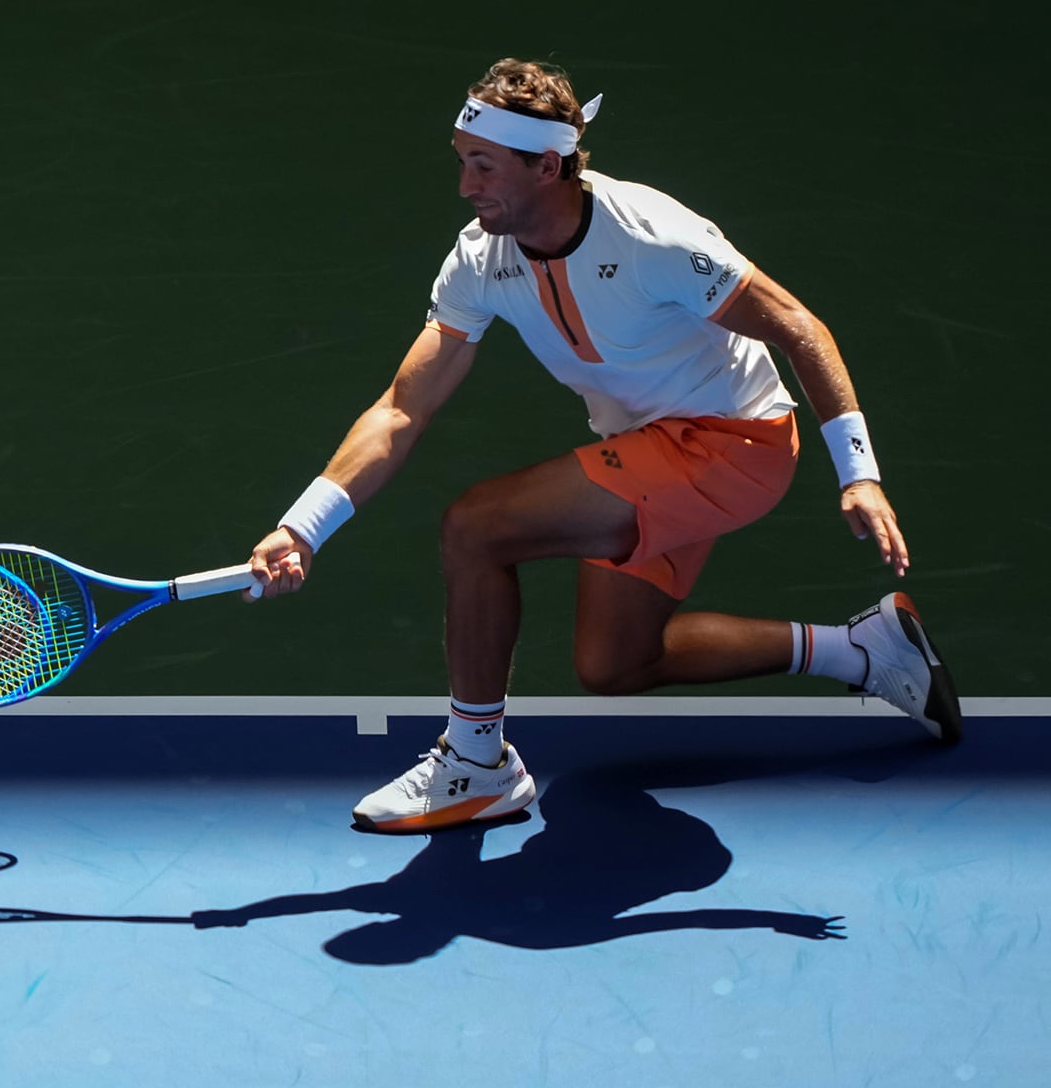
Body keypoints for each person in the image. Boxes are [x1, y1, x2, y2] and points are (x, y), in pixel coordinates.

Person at [246, 58, 962, 833]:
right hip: (646, 444)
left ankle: (476, 763)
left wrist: (860, 473)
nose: (464, 187)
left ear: (546, 165)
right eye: (462, 163)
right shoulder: (481, 260)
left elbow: (799, 326)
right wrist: (302, 526)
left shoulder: (653, 236)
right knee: (616, 662)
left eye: (483, 167)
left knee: (477, 526)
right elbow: (400, 409)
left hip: (736, 443)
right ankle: (863, 650)